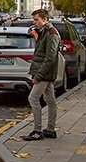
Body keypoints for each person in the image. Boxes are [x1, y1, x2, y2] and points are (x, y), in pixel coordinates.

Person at [21, 8, 60, 141]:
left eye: (37, 20)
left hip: (44, 73)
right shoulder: (44, 32)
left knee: (33, 98)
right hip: (46, 73)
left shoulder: (51, 34)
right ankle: (50, 129)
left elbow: (50, 57)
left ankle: (37, 130)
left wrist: (38, 76)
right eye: (34, 19)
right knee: (50, 100)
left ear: (45, 20)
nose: (34, 22)